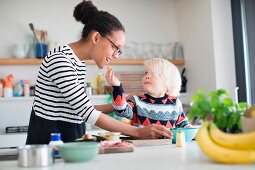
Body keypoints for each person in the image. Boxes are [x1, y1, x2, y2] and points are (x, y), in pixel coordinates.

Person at [26, 0, 172, 144]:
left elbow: (77, 108)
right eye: (115, 47)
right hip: (48, 143)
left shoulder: (78, 62)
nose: (116, 55)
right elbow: (87, 112)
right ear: (96, 37)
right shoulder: (61, 60)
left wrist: (124, 100)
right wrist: (138, 131)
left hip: (67, 140)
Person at [105, 58, 192, 128]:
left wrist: (190, 129)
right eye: (146, 73)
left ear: (168, 83)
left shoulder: (175, 103)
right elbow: (121, 110)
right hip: (142, 147)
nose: (147, 76)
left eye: (153, 74)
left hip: (167, 148)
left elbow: (183, 124)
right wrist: (117, 87)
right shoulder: (137, 100)